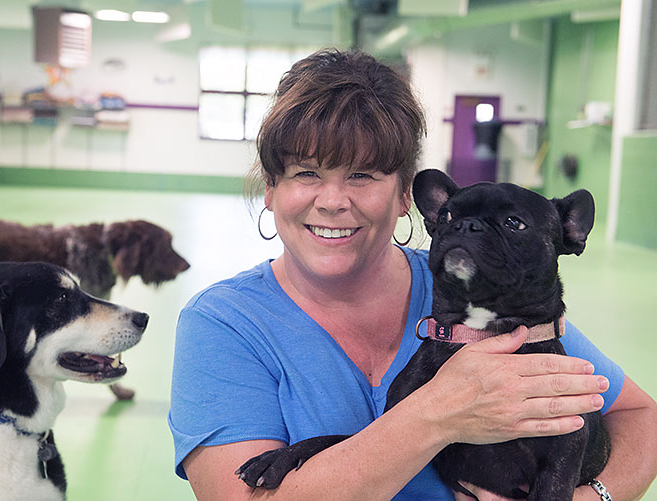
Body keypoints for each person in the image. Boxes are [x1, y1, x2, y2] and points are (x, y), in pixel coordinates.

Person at [169, 49, 657, 500]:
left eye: (362, 175)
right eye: (306, 173)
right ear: (272, 188)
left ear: (406, 195)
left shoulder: (490, 299)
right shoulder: (224, 323)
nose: (333, 201)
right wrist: (439, 413)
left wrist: (586, 497)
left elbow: (641, 417)